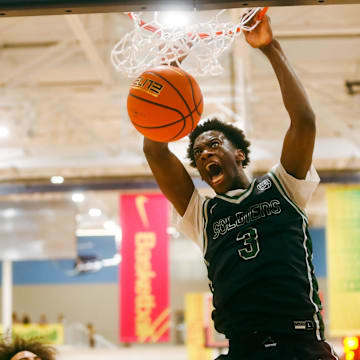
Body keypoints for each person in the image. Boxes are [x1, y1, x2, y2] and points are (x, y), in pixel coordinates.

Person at [143, 12, 338, 360]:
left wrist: (270, 47)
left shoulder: (282, 186)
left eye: (213, 144)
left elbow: (304, 121)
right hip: (242, 348)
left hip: (299, 343)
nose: (204, 154)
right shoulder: (202, 213)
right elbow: (154, 151)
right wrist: (170, 66)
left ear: (240, 154)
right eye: (198, 153)